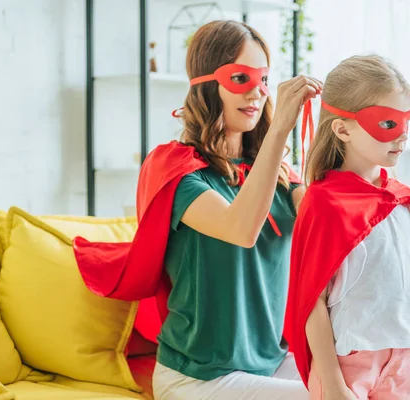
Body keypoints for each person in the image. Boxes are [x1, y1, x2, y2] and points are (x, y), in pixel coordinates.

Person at [73, 20, 322, 400]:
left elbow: (327, 228)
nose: (257, 92)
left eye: (265, 79)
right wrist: (280, 128)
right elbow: (241, 228)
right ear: (207, 84)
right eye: (241, 77)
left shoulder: (279, 176)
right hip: (200, 378)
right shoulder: (176, 172)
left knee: (363, 386)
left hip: (269, 362)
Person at [284, 55, 410, 400]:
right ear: (342, 128)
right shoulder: (325, 203)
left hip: (406, 363)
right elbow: (312, 302)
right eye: (387, 124)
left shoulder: (402, 202)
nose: (401, 136)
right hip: (350, 366)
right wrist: (333, 384)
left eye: (406, 123)